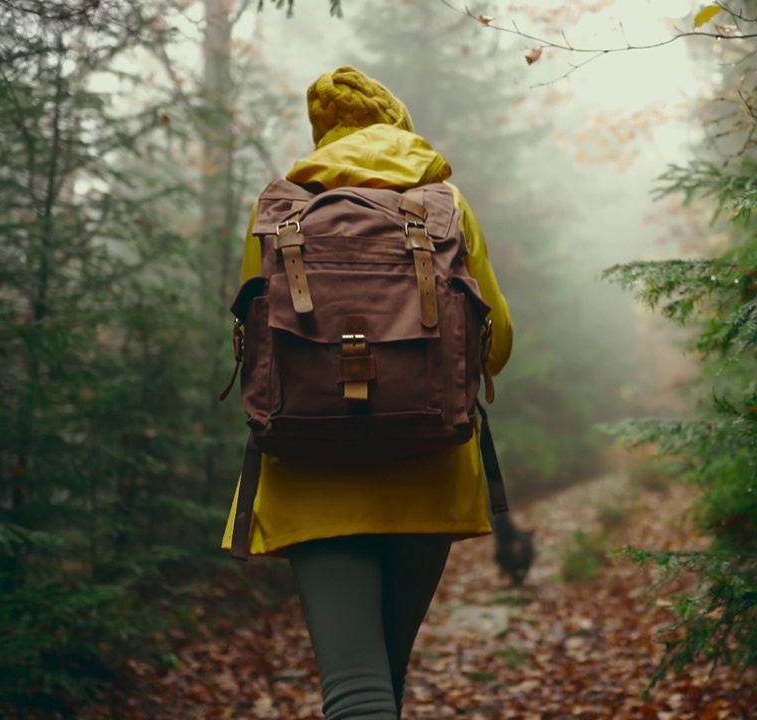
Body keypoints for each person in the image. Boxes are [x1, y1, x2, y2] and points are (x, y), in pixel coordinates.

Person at [220, 66, 513, 720]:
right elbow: (495, 342)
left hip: (308, 467)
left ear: (321, 134)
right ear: (397, 125)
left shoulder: (280, 209)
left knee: (355, 688)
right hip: (427, 460)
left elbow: (254, 340)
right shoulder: (446, 205)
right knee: (386, 678)